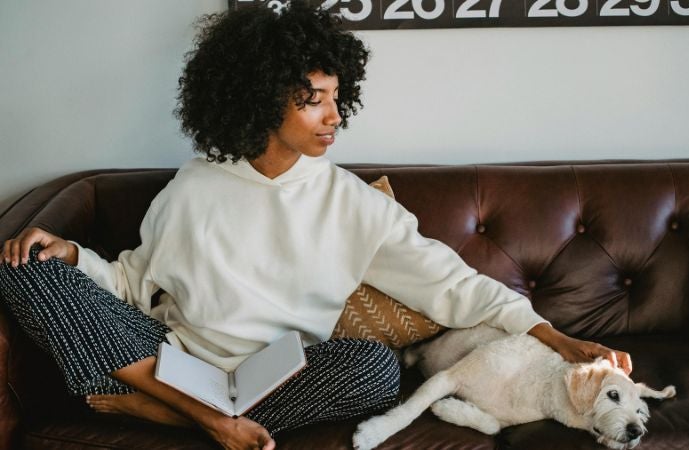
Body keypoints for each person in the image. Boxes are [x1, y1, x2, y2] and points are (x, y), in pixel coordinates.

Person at [0, 3, 632, 450]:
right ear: (257, 99)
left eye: (336, 97)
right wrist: (68, 255)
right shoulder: (196, 185)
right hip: (169, 359)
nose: (333, 117)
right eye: (312, 100)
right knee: (26, 271)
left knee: (378, 371)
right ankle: (202, 417)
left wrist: (557, 337)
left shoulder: (352, 203)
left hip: (279, 376)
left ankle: (172, 416)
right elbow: (133, 285)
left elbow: (454, 285)